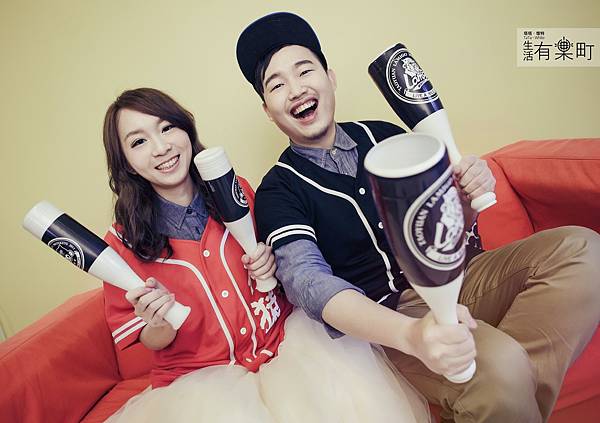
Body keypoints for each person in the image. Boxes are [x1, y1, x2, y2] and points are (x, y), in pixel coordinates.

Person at [236, 12, 600, 423]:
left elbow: (447, 226)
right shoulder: (278, 191)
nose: (296, 89)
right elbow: (309, 283)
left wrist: (465, 194)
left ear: (330, 78)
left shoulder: (386, 135)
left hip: (464, 277)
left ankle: (498, 393)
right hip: (393, 314)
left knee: (582, 250)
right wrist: (412, 335)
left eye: (305, 71)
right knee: (499, 366)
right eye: (277, 85)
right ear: (268, 111)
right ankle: (497, 383)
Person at [101, 87, 431, 422]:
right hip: (200, 381)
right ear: (126, 162)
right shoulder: (120, 244)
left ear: (186, 129)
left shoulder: (238, 191)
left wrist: (269, 267)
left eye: (167, 128)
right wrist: (158, 321)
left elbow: (291, 273)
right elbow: (153, 340)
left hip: (290, 346)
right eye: (138, 141)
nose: (161, 147)